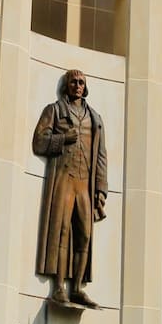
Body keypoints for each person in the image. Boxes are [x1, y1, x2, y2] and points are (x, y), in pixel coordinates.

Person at [32, 70, 108, 307]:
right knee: (62, 231)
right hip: (64, 178)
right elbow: (38, 141)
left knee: (85, 234)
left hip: (85, 182)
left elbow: (102, 156)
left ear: (85, 87)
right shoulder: (54, 110)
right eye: (73, 82)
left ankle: (77, 287)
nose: (77, 85)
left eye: (81, 82)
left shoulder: (95, 118)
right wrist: (62, 139)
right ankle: (60, 287)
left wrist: (101, 190)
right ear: (67, 85)